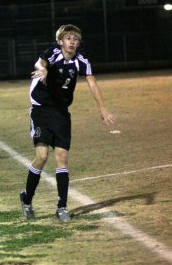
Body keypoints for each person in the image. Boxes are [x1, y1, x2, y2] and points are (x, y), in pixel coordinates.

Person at [20, 24, 115, 222]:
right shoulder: (52, 53)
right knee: (42, 156)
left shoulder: (82, 61)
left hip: (61, 113)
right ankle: (27, 199)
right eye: (68, 38)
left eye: (75, 39)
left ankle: (61, 207)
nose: (72, 41)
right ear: (60, 41)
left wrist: (103, 108)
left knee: (62, 158)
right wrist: (43, 70)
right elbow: (40, 63)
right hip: (41, 110)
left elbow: (92, 83)